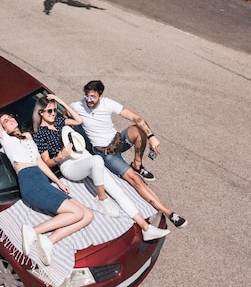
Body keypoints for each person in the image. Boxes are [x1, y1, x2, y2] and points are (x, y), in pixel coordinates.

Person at [0, 76, 94, 266]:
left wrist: (58, 183)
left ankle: (48, 241)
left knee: (88, 215)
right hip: (29, 183)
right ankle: (34, 231)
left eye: (9, 117)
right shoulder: (6, 141)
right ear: (2, 129)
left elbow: (40, 163)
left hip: (42, 180)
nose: (8, 120)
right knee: (76, 213)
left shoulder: (27, 136)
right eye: (4, 121)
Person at [32, 95, 170, 241]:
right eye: (49, 111)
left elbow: (79, 120)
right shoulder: (40, 134)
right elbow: (46, 162)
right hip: (69, 164)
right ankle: (102, 198)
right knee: (97, 160)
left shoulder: (59, 121)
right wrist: (60, 157)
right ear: (41, 113)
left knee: (117, 190)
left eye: (54, 110)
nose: (53, 113)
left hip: (83, 155)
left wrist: (59, 101)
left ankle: (146, 228)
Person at [71, 80, 188, 228]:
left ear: (100, 96)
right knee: (136, 180)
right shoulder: (77, 106)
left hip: (117, 141)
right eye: (87, 96)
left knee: (138, 130)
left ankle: (137, 164)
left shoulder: (108, 103)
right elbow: (63, 115)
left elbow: (136, 118)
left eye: (92, 97)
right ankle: (169, 212)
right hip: (107, 154)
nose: (88, 100)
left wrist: (151, 137)